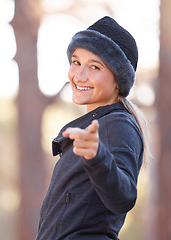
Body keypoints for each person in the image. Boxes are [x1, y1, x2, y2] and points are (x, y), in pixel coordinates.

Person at [36, 16, 149, 240]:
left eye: (94, 66)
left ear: (118, 79)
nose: (78, 76)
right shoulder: (97, 125)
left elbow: (123, 197)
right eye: (76, 62)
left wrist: (98, 157)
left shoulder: (119, 125)